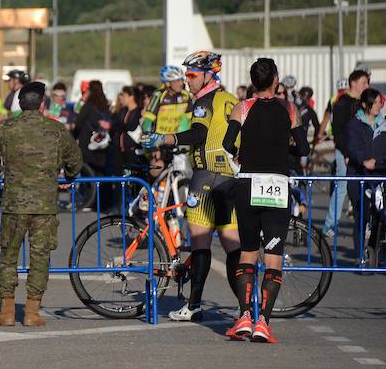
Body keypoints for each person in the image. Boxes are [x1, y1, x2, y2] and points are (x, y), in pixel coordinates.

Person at [0, 81, 81, 326]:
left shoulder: (6, 128)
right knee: (40, 258)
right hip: (44, 208)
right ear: (42, 104)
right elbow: (75, 160)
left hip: (13, 206)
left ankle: (7, 312)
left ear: (20, 104)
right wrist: (70, 176)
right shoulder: (56, 130)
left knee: (8, 257)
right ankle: (32, 312)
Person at [142, 51, 241, 322]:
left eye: (193, 75)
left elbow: (199, 133)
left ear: (210, 74)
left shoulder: (204, 103)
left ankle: (194, 305)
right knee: (233, 247)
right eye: (186, 74)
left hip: (206, 177)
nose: (188, 79)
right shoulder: (230, 99)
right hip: (230, 178)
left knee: (200, 246)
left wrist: (165, 139)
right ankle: (247, 308)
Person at [222, 57, 310, 342]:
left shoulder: (242, 106)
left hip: (248, 185)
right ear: (275, 79)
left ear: (252, 81)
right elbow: (304, 149)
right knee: (273, 257)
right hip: (276, 186)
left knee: (247, 252)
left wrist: (242, 151)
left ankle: (244, 317)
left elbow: (226, 143)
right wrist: (282, 147)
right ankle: (263, 322)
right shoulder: (289, 109)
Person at [322, 69, 370, 237]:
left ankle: (366, 223)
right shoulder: (343, 102)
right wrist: (347, 153)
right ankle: (329, 225)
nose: (367, 86)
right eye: (364, 82)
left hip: (362, 152)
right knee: (342, 188)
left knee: (365, 188)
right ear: (354, 83)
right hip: (346, 153)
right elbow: (338, 131)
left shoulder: (364, 102)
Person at [343, 88, 384, 264]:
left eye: (380, 102)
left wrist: (379, 161)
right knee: (363, 214)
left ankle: (374, 250)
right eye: (375, 102)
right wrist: (364, 160)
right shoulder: (354, 124)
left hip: (379, 175)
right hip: (358, 176)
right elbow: (351, 148)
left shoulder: (383, 124)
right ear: (366, 104)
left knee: (380, 214)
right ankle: (361, 255)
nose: (379, 105)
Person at [141, 65, 193, 174]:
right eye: (177, 81)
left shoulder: (185, 96)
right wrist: (153, 147)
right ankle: (151, 190)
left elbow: (190, 120)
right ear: (168, 83)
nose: (181, 83)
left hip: (174, 140)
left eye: (181, 80)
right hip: (157, 141)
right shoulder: (159, 95)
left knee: (184, 171)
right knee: (157, 168)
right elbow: (147, 123)